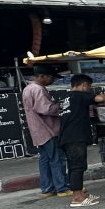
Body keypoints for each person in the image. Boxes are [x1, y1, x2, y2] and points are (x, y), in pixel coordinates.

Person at [59, 74, 105, 207]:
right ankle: (77, 198)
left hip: (66, 136)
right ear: (84, 85)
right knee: (77, 166)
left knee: (75, 165)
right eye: (89, 86)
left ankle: (80, 193)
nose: (89, 89)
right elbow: (100, 98)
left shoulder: (67, 97)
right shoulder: (80, 95)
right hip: (75, 137)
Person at [22, 65, 68, 197]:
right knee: (56, 159)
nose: (52, 81)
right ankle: (62, 188)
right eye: (51, 78)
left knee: (45, 159)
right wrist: (60, 106)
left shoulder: (28, 88)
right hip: (47, 129)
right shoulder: (38, 89)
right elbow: (45, 109)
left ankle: (47, 189)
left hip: (38, 130)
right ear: (42, 76)